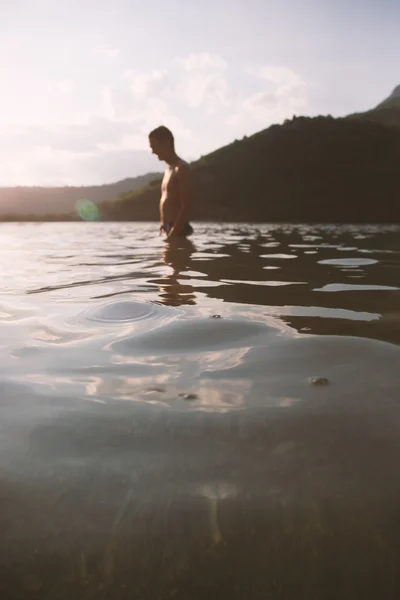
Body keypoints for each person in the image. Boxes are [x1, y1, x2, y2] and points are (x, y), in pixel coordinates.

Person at [148, 126, 193, 240]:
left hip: (178, 233)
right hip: (168, 231)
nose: (153, 151)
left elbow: (187, 206)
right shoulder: (168, 171)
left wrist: (173, 235)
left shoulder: (182, 169)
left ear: (166, 143)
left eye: (154, 146)